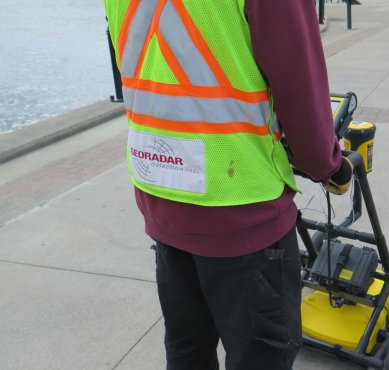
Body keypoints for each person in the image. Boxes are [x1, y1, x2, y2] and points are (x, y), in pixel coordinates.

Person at [104, 0, 353, 369]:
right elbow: (300, 87)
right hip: (239, 204)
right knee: (262, 356)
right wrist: (331, 166)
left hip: (160, 189)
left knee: (187, 348)